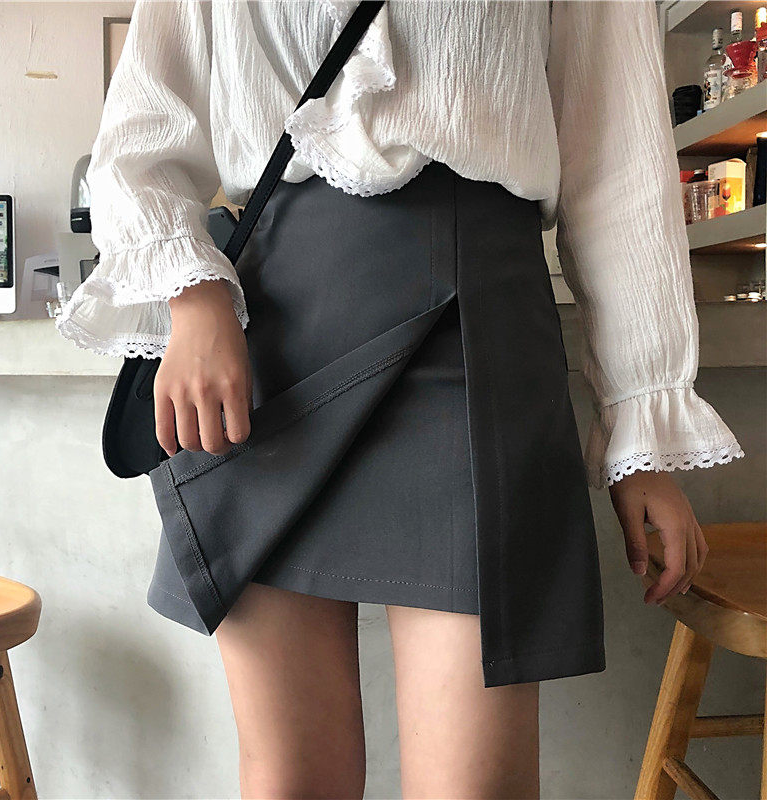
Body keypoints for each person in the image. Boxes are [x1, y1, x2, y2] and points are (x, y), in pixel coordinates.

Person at [56, 1, 745, 797]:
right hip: (267, 346)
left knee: (474, 787)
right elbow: (145, 123)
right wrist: (194, 295)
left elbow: (618, 155)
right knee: (292, 781)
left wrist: (642, 425)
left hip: (475, 330)